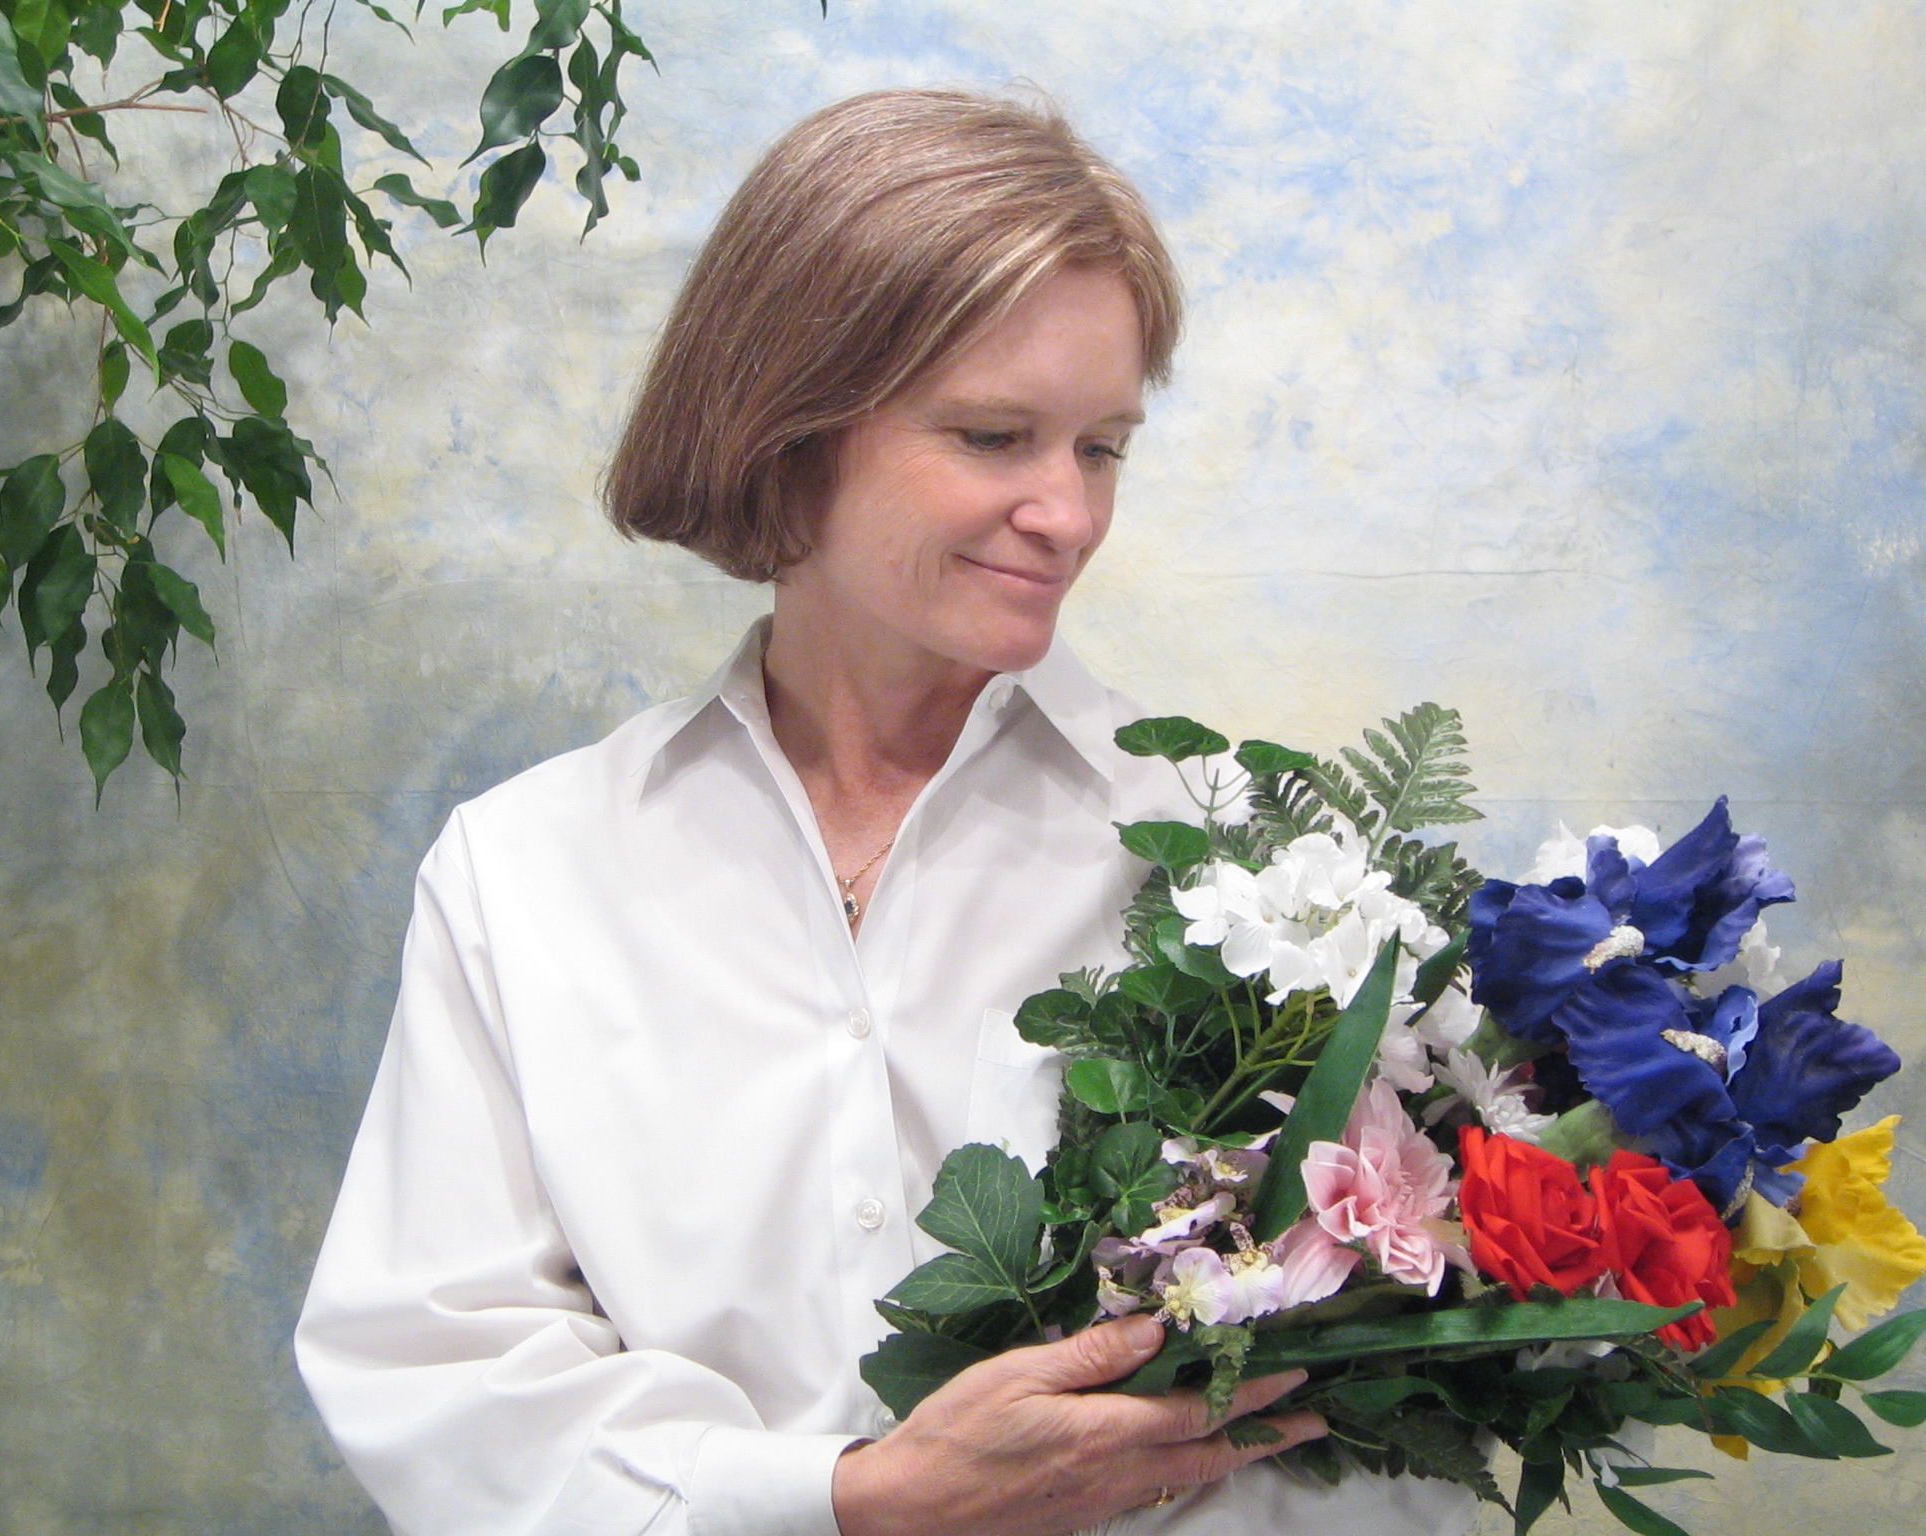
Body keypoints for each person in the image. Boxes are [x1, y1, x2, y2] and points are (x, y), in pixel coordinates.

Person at [295, 89, 1477, 1536]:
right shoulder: (527, 872)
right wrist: (848, 1504)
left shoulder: (1260, 873)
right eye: (993, 435)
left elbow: (1374, 1407)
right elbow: (439, 1377)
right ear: (784, 429)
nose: (1069, 515)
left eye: (1101, 447)